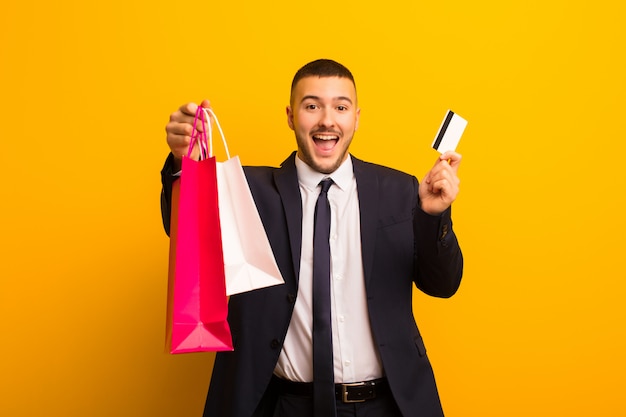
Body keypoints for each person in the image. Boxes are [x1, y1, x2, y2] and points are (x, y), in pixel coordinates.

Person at [161, 59, 463, 417]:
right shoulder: (246, 190)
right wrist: (183, 162)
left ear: (356, 117)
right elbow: (186, 230)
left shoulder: (400, 190)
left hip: (386, 405)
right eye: (312, 106)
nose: (327, 120)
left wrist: (433, 216)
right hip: (283, 406)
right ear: (290, 116)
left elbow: (442, 284)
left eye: (340, 106)